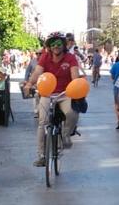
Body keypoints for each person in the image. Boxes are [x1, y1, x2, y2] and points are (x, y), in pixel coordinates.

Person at [25, 32, 81, 167]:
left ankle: (66, 134)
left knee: (72, 113)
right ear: (49, 46)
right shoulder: (45, 57)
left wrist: (77, 86)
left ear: (64, 44)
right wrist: (29, 83)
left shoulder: (70, 58)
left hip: (65, 93)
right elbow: (37, 72)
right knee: (42, 122)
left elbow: (75, 75)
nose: (56, 46)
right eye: (53, 44)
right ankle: (42, 156)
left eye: (59, 43)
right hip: (47, 93)